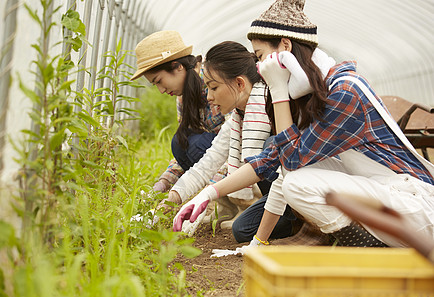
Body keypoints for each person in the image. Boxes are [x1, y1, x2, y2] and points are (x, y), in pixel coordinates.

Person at [174, 0, 434, 251]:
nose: (259, 67)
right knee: (292, 177)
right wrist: (208, 193)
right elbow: (271, 159)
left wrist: (277, 90)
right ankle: (363, 243)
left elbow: (291, 160)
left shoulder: (345, 91)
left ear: (285, 47)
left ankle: (371, 249)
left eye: (261, 56)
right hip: (390, 202)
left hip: (417, 209)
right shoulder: (311, 95)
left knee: (297, 182)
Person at [166, 41, 296, 239]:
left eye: (214, 87)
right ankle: (286, 217)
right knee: (242, 230)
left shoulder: (270, 106)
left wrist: (209, 193)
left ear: (239, 83)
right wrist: (169, 201)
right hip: (278, 193)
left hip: (298, 188)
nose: (209, 97)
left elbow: (260, 165)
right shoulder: (237, 118)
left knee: (269, 147)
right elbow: (205, 165)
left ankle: (300, 217)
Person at [131, 31, 226, 193]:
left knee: (193, 143)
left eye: (159, 81)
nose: (161, 90)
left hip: (236, 155)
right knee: (181, 143)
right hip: (218, 155)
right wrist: (163, 183)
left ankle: (226, 195)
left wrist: (211, 191)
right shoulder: (183, 98)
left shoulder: (215, 82)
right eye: (155, 85)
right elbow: (183, 152)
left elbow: (236, 143)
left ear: (177, 66)